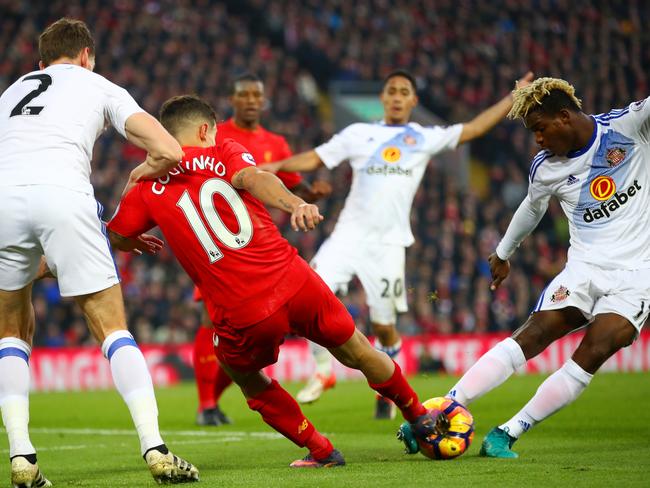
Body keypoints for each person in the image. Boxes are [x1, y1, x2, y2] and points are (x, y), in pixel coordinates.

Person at [108, 94, 438, 468]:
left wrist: (132, 203)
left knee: (244, 375)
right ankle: (420, 418)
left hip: (243, 310)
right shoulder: (225, 151)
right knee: (359, 350)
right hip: (295, 280)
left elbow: (117, 236)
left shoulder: (147, 186)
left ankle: (321, 450)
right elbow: (253, 177)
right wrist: (295, 204)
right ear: (204, 130)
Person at [263, 69, 533, 417]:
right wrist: (274, 166)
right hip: (348, 235)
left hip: (389, 245)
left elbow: (474, 129)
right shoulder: (359, 133)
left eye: (403, 91)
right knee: (309, 296)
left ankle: (387, 390)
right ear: (383, 97)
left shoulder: (422, 137)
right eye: (391, 90)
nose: (396, 97)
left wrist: (513, 97)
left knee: (384, 327)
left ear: (413, 101)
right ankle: (323, 371)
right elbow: (314, 158)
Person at [404, 77, 650, 458]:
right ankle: (439, 409)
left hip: (638, 273)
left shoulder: (629, 126)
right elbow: (531, 209)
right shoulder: (546, 167)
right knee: (533, 334)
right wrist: (503, 253)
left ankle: (507, 432)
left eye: (540, 129)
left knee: (599, 346)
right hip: (584, 269)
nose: (537, 139)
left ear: (564, 117)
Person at [0, 18, 198, 486]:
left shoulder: (9, 94)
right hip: (64, 196)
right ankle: (156, 448)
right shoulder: (98, 84)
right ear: (86, 55)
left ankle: (22, 458)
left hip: (4, 200)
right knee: (111, 326)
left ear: (40, 62)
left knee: (10, 331)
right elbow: (169, 149)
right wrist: (136, 176)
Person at [192, 73, 332, 427]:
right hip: (218, 244)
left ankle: (216, 401)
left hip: (259, 250)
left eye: (258, 95)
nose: (252, 100)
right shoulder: (215, 136)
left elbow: (289, 186)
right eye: (245, 95)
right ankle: (206, 404)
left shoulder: (277, 144)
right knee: (213, 322)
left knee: (254, 332)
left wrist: (312, 195)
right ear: (233, 99)